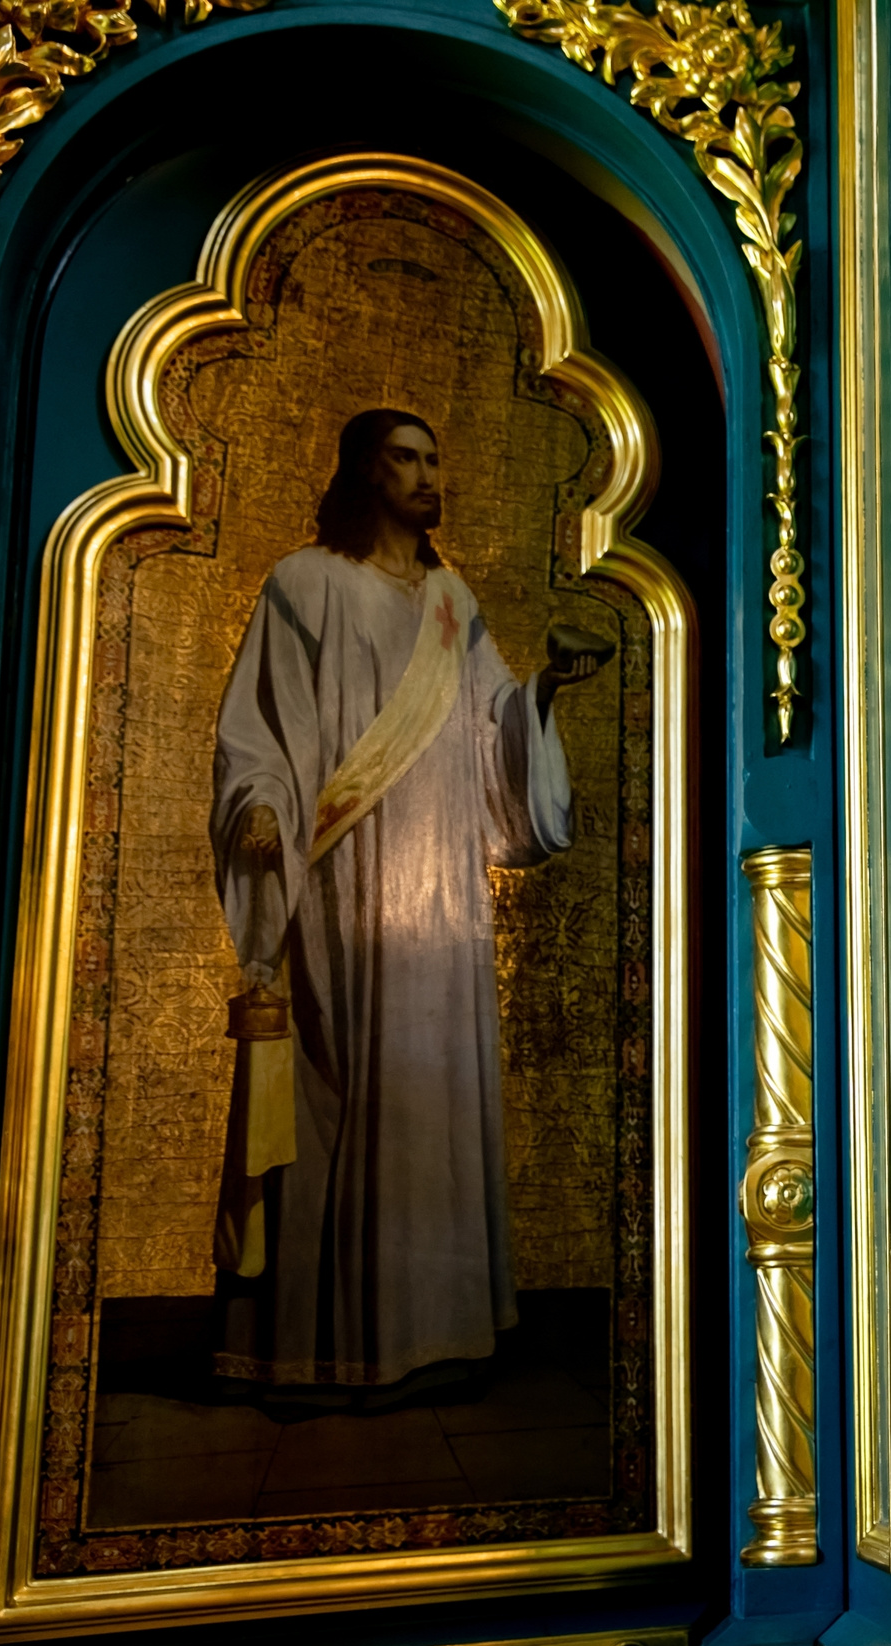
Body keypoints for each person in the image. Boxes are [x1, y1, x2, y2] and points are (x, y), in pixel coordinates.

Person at [209, 407, 605, 1397]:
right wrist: (261, 805)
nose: (428, 474)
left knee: (434, 1084)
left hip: (439, 882)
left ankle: (436, 1328)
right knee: (343, 1077)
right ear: (363, 470)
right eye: (407, 457)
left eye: (436, 457)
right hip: (345, 867)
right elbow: (259, 723)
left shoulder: (449, 599)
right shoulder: (308, 584)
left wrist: (545, 687)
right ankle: (322, 1335)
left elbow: (490, 728)